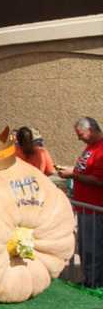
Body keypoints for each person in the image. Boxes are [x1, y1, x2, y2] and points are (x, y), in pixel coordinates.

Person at [57, 117, 103, 287]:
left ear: (91, 130)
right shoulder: (90, 147)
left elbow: (99, 181)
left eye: (81, 134)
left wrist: (73, 174)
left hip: (95, 210)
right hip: (86, 208)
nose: (78, 138)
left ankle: (94, 284)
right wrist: (71, 171)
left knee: (93, 250)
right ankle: (90, 280)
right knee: (86, 249)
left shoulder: (101, 150)